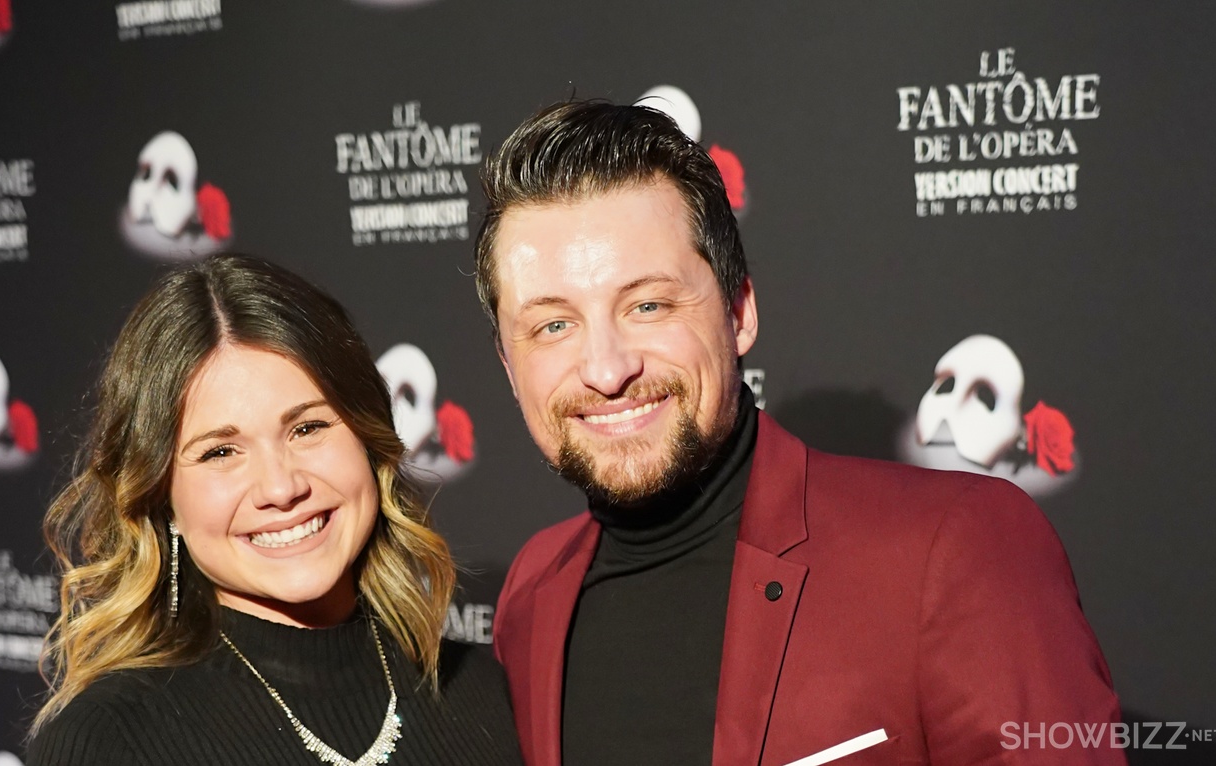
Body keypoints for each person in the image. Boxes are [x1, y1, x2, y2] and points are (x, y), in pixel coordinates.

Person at [473, 100, 1126, 765]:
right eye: (553, 325)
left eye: (648, 305)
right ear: (508, 363)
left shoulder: (954, 548)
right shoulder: (530, 593)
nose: (607, 368)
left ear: (739, 313)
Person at [28, 254, 523, 765]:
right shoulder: (105, 742)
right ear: (161, 496)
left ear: (368, 438)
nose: (281, 488)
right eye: (221, 452)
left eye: (307, 428)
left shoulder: (481, 693)